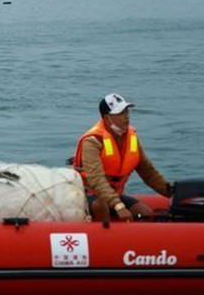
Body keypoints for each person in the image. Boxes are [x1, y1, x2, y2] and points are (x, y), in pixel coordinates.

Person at [72, 93, 171, 222]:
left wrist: (171, 192)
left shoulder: (132, 138)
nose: (126, 118)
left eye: (126, 112)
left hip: (114, 195)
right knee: (100, 206)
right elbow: (96, 179)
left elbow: (149, 173)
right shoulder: (92, 141)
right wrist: (118, 206)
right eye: (120, 114)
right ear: (107, 118)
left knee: (144, 212)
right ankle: (105, 239)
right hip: (88, 195)